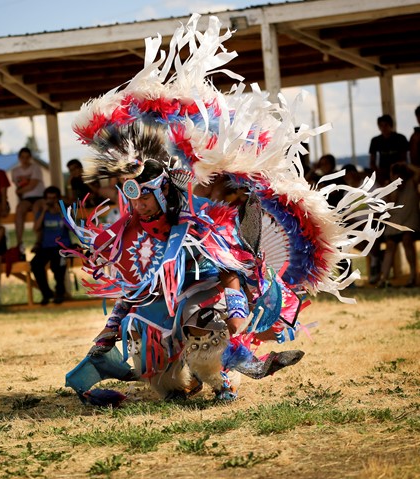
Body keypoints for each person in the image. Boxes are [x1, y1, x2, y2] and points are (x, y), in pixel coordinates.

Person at [62, 14, 400, 406]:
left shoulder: (197, 227)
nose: (137, 203)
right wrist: (108, 334)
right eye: (131, 195)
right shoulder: (128, 235)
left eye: (145, 196)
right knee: (159, 374)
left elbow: (229, 275)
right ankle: (176, 380)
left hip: (204, 309)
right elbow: (132, 292)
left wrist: (237, 320)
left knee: (203, 329)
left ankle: (222, 380)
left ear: (164, 192)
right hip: (159, 318)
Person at [377, 162, 419, 288]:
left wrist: (406, 164)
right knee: (390, 245)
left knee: (407, 240)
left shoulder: (412, 183)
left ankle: (412, 276)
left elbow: (418, 172)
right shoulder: (388, 187)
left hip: (410, 221)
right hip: (395, 222)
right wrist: (392, 186)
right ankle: (383, 278)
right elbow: (390, 201)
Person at [30, 186, 72, 305]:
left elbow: (72, 228)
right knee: (35, 264)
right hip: (46, 247)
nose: (51, 201)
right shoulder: (43, 213)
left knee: (57, 265)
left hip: (62, 246)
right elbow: (36, 228)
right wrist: (43, 211)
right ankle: (46, 293)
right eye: (48, 199)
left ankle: (60, 293)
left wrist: (60, 212)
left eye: (54, 198)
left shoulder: (64, 211)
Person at [10, 147, 45, 254]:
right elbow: (18, 186)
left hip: (39, 196)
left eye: (27, 157)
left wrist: (19, 191)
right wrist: (20, 193)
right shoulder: (15, 171)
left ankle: (38, 241)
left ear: (30, 158)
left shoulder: (36, 168)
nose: (25, 159)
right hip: (26, 198)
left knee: (36, 210)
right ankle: (19, 242)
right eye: (22, 157)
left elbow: (32, 185)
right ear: (19, 158)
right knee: (19, 210)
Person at [369, 114, 409, 186]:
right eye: (381, 125)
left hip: (398, 171)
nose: (384, 128)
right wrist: (378, 173)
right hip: (383, 173)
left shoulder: (400, 138)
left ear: (391, 125)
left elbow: (404, 159)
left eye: (386, 125)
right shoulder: (375, 141)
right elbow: (372, 162)